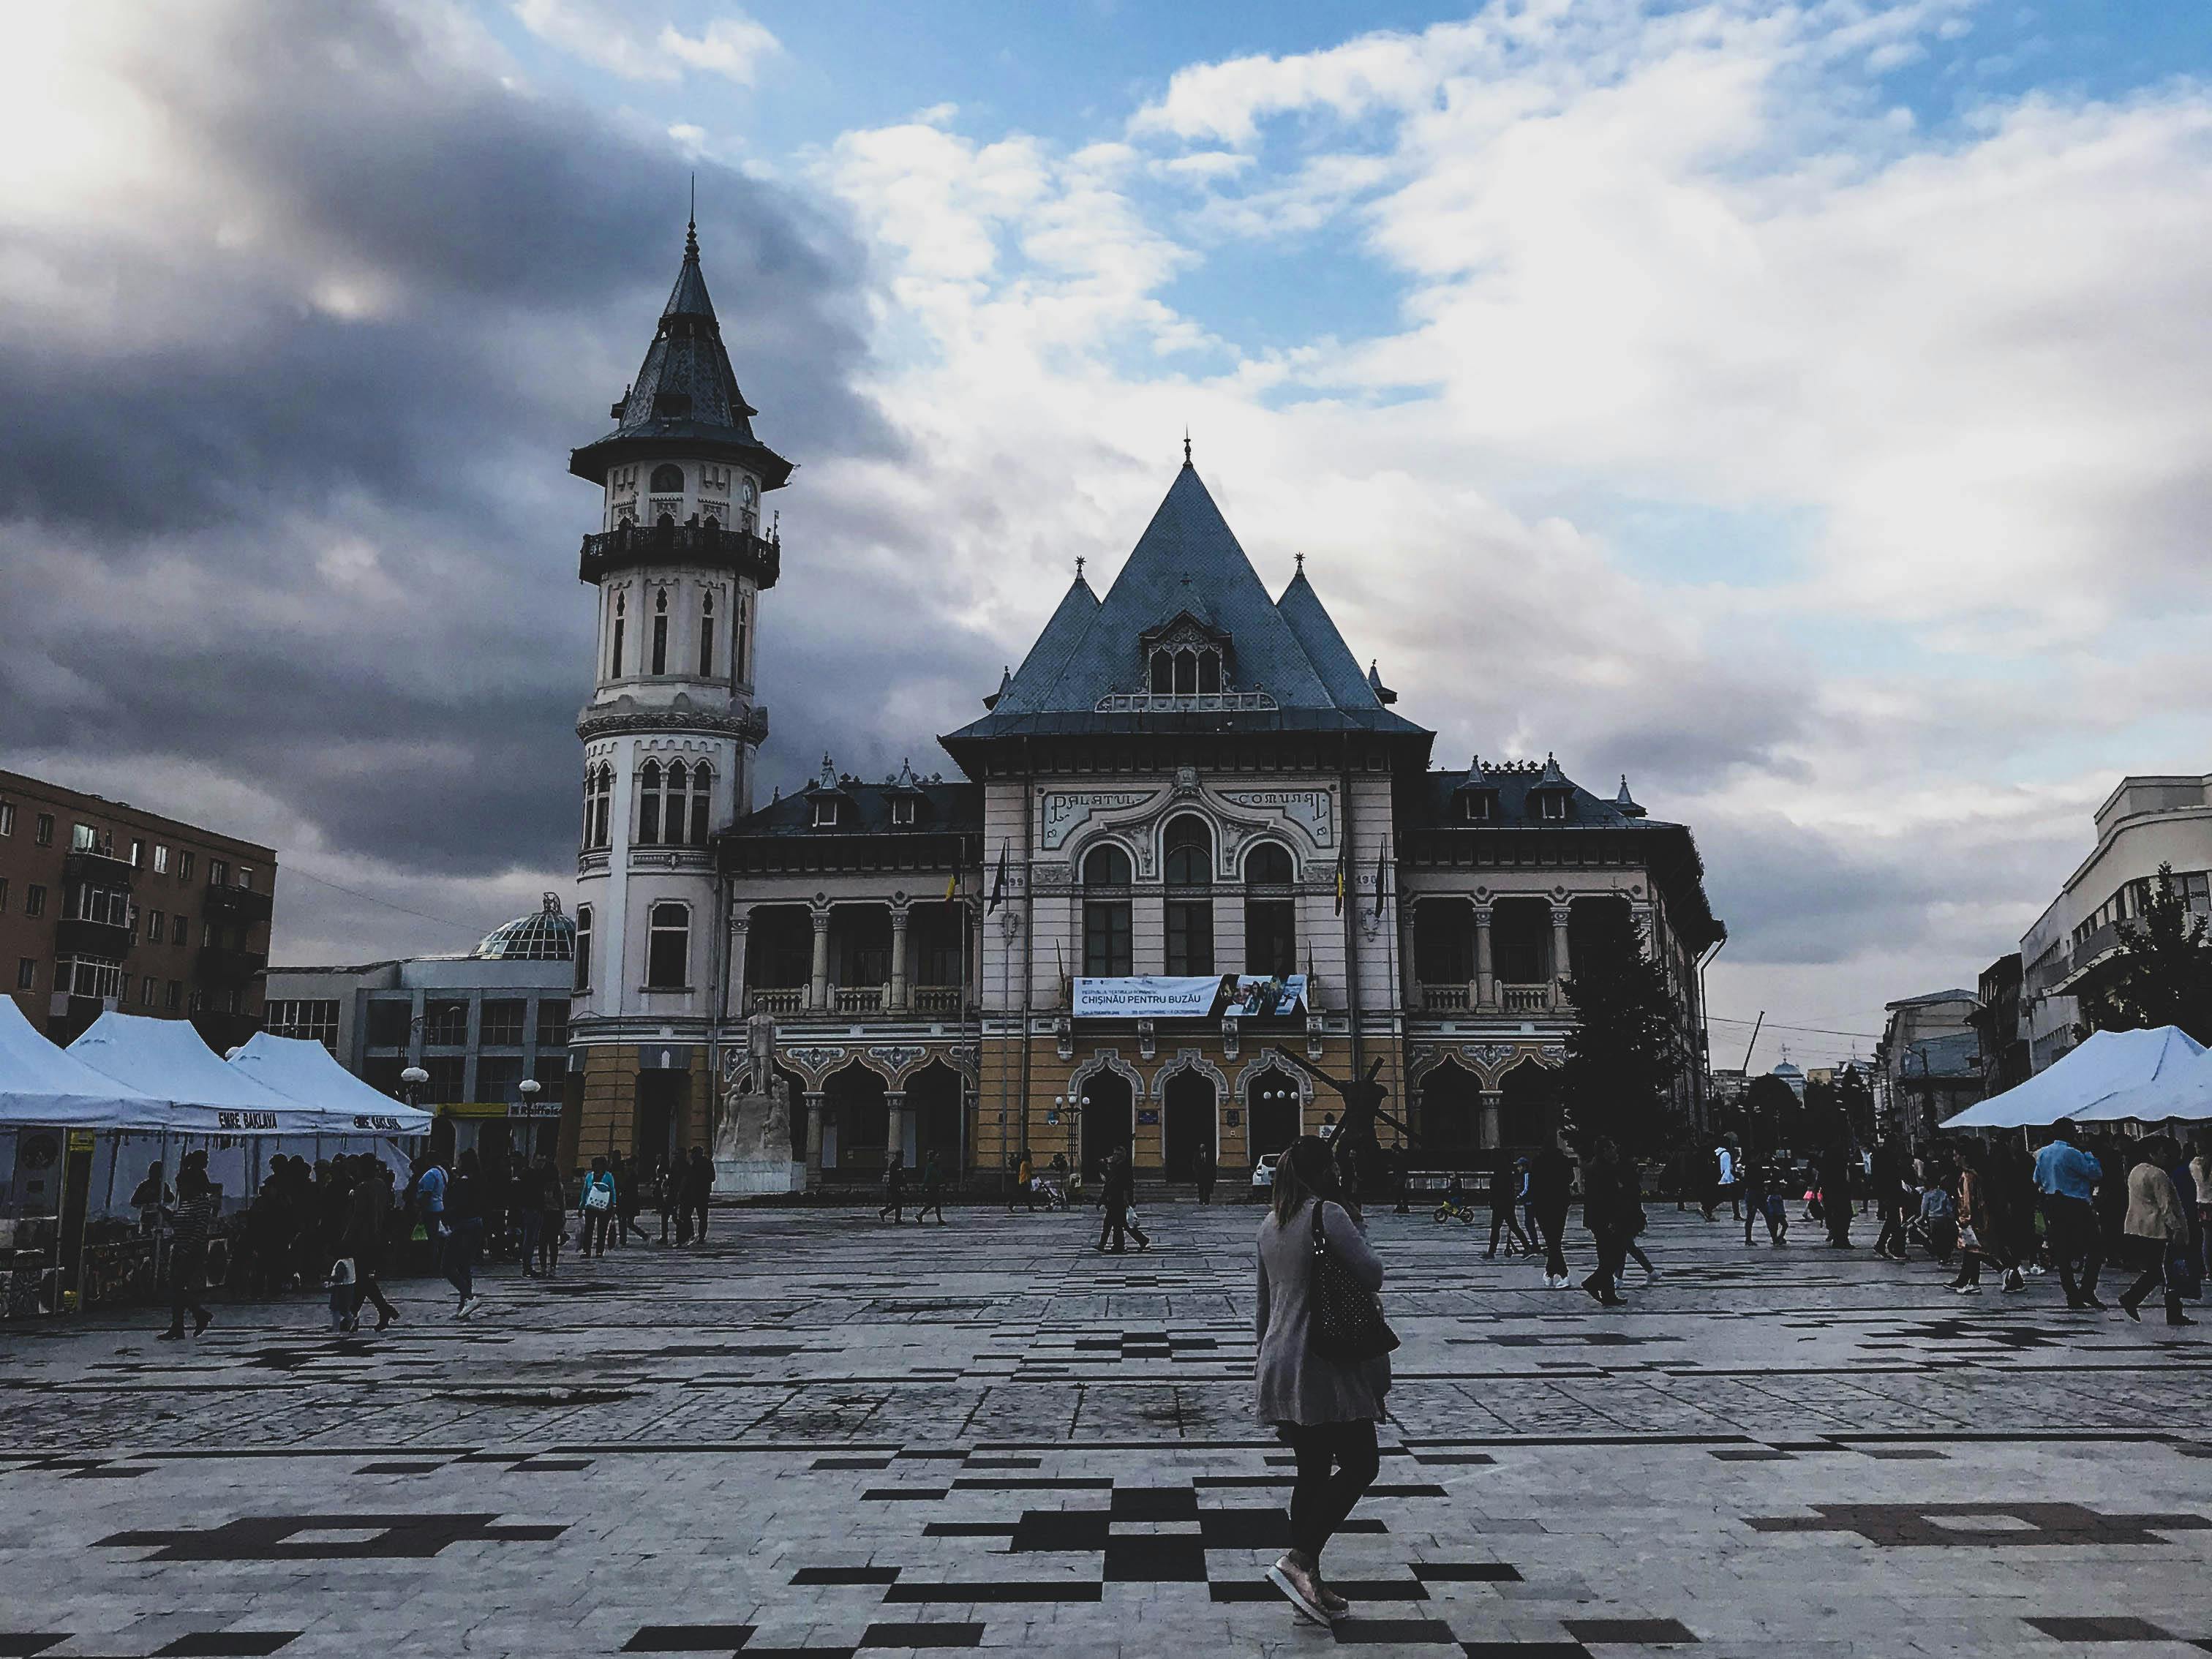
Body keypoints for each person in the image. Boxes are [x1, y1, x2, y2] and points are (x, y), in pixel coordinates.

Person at [1253, 1135, 1387, 1627]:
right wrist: (1358, 1226)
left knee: (1311, 1471)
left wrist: (1264, 1369)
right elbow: (1372, 1274)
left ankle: (1307, 1579)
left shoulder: (1271, 1223)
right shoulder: (1328, 1214)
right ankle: (1299, 1561)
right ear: (1324, 1172)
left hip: (1281, 1361)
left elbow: (1263, 1309)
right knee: (1361, 1463)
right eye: (1334, 1166)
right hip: (1324, 1362)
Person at [2117, 1137, 2194, 1325]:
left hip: (2137, 1225)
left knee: (2159, 1270)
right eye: (2162, 1152)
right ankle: (2134, 1298)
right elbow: (2166, 1205)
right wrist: (2177, 1228)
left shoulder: (2135, 1171)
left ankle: (2163, 1308)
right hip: (2156, 1227)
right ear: (2152, 1154)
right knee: (2165, 1271)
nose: (2166, 1156)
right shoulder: (2158, 1175)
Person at [2034, 1120, 2107, 1309]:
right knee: (2096, 1247)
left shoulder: (2044, 1153)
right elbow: (2095, 1173)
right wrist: (2090, 1155)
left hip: (2052, 1201)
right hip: (2074, 1203)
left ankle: (2072, 1293)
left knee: (2062, 1250)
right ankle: (2087, 1289)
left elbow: (2037, 1179)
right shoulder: (2071, 1153)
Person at [158, 1155, 217, 1340]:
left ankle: (199, 1313)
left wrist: (187, 1250)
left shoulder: (202, 1203)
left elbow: (200, 1229)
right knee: (175, 1287)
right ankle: (178, 1324)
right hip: (181, 1247)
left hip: (191, 1251)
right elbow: (177, 1221)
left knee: (178, 1286)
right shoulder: (186, 1203)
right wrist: (166, 1214)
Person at [345, 1156, 400, 1331]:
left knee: (362, 1278)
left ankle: (379, 1310)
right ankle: (359, 1313)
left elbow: (358, 1217)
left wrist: (345, 1239)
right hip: (378, 1237)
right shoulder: (381, 1185)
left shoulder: (363, 1188)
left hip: (363, 1239)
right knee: (363, 1279)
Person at [1579, 1140, 1630, 1306]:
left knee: (1606, 1257)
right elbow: (1604, 1198)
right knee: (1615, 1256)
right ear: (1605, 1150)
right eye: (1613, 1147)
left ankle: (1608, 1295)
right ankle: (1592, 1283)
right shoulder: (1603, 1169)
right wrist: (1611, 1220)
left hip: (1597, 1219)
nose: (1615, 1150)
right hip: (1604, 1220)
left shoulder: (1596, 1166)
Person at [445, 1148, 485, 1320]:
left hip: (463, 1226)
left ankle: (469, 1298)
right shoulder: (479, 1180)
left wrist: (447, 1215)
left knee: (447, 1265)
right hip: (476, 1223)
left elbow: (458, 1205)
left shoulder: (463, 1183)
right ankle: (464, 1305)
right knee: (463, 1265)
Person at [1528, 1140, 1573, 1287]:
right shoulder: (1564, 1161)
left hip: (1543, 1205)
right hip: (1560, 1204)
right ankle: (1550, 1272)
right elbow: (1570, 1178)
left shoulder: (1537, 1162)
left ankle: (1564, 1275)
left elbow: (1533, 1184)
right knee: (1555, 1240)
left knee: (1552, 1241)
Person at [1870, 1138, 1911, 1262]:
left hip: (1888, 1192)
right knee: (1895, 1220)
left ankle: (1884, 1244)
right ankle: (1894, 1246)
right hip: (1891, 1192)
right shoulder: (1888, 1158)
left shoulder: (1880, 1156)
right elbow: (1891, 1177)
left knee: (1893, 1220)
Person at [1485, 1153, 1531, 1258]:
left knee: (1496, 1229)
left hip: (1500, 1206)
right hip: (1508, 1205)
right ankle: (1527, 1246)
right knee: (1514, 1227)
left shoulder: (1497, 1176)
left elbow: (1494, 1192)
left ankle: (1492, 1252)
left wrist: (1493, 1203)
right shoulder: (1508, 1175)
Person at [578, 1155, 617, 1258]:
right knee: (588, 1229)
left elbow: (613, 1191)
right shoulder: (589, 1176)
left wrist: (614, 1204)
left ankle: (599, 1251)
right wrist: (581, 1206)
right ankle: (587, 1251)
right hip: (590, 1206)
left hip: (605, 1207)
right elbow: (585, 1191)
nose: (596, 1167)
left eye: (598, 1165)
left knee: (602, 1229)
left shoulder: (609, 1176)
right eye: (594, 1165)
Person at [535, 1155, 567, 1278]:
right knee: (545, 1243)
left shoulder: (557, 1188)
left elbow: (562, 1204)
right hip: (547, 1215)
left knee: (551, 1243)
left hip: (552, 1215)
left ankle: (550, 1267)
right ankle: (545, 1267)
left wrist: (563, 1219)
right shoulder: (550, 1187)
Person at [681, 1146, 715, 1243]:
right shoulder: (703, 1163)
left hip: (697, 1194)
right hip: (700, 1194)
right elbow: (712, 1177)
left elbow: (711, 1177)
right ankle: (699, 1237)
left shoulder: (699, 1164)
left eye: (693, 1154)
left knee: (689, 1215)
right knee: (701, 1217)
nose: (691, 1155)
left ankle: (695, 1235)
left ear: (697, 1154)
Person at [130, 1162, 172, 1235]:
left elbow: (171, 1199)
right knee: (147, 1235)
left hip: (159, 1218)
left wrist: (160, 1201)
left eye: (158, 1172)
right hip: (147, 1218)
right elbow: (134, 1202)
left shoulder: (163, 1186)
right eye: (154, 1172)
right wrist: (145, 1197)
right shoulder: (145, 1186)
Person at [916, 1149, 948, 1225]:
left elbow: (940, 1176)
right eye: (937, 1157)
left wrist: (944, 1182)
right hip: (932, 1187)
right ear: (933, 1158)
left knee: (932, 1204)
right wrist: (923, 1187)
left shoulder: (937, 1166)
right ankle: (939, 1220)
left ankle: (920, 1215)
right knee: (936, 1204)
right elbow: (927, 1177)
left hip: (936, 1187)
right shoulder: (930, 1166)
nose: (938, 1158)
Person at [880, 1151, 907, 1224]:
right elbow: (896, 1176)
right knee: (898, 1203)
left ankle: (884, 1213)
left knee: (896, 1203)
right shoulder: (895, 1164)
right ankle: (897, 1219)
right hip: (895, 1186)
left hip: (896, 1186)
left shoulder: (898, 1164)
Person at [1195, 1139, 1216, 1205]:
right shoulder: (1197, 1155)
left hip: (1207, 1175)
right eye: (1201, 1148)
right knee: (1200, 1189)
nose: (1202, 1149)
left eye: (1203, 1147)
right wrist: (1196, 1173)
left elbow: (1212, 1165)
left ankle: (1207, 1201)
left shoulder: (1209, 1155)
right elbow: (1194, 1164)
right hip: (1200, 1175)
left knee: (1207, 1189)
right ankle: (1201, 1201)